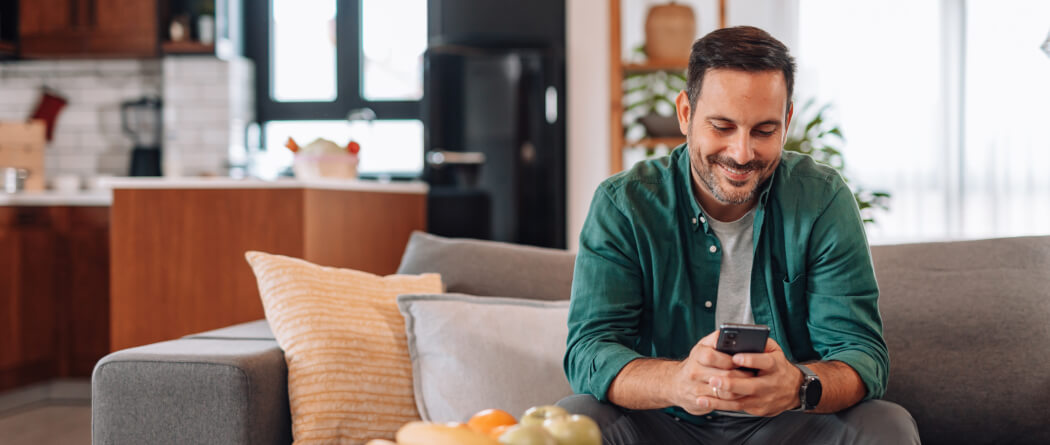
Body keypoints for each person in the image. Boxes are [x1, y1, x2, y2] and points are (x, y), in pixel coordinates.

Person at [559, 26, 919, 444]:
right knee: (575, 418)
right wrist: (677, 381)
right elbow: (589, 351)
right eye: (722, 126)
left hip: (786, 423)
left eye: (764, 131)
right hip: (662, 422)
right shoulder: (624, 205)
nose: (742, 153)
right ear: (685, 114)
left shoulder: (822, 200)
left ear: (786, 121)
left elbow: (862, 355)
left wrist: (798, 385)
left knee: (884, 424)